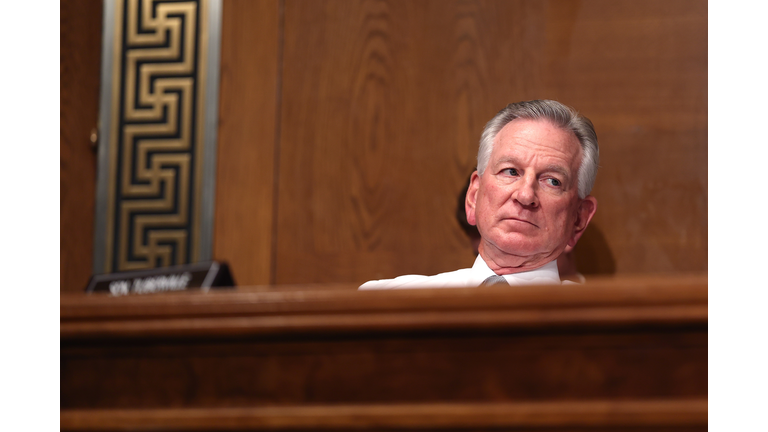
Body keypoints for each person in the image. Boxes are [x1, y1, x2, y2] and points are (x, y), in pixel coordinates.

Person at [359, 99, 598, 289]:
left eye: (552, 181)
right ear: (474, 196)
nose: (525, 195)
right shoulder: (382, 304)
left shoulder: (603, 328)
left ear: (578, 219)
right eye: (511, 171)